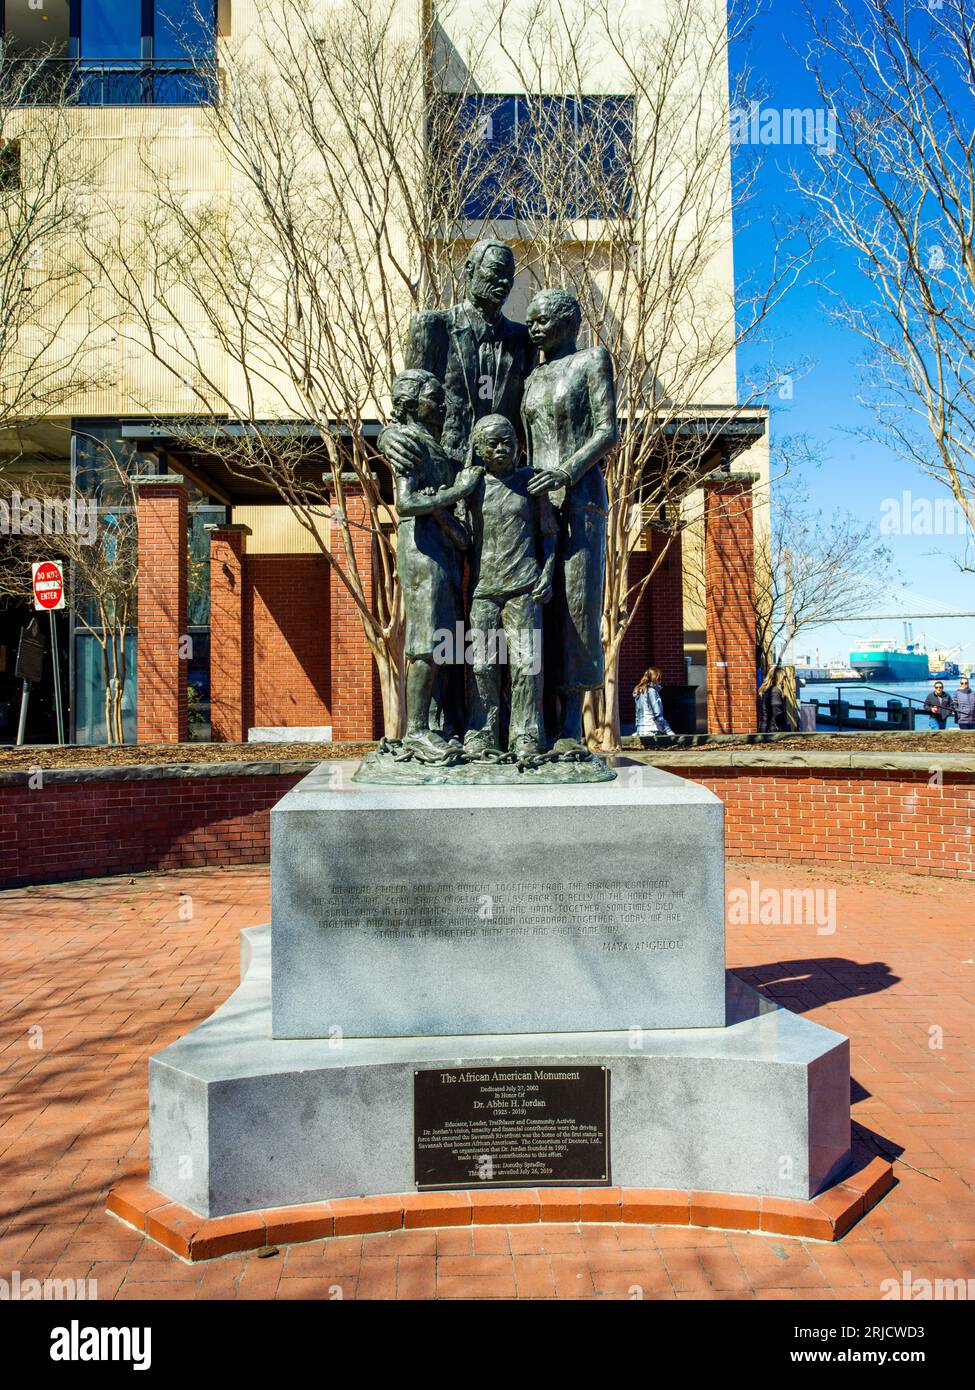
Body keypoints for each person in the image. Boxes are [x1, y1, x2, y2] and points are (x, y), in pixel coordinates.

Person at [522, 287, 618, 753]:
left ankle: (571, 728)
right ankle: (532, 723)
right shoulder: (531, 375)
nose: (534, 327)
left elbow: (607, 430)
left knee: (576, 608)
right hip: (537, 502)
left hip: (579, 499)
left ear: (568, 321)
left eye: (542, 319)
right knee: (537, 607)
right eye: (531, 320)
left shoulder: (591, 361)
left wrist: (568, 469)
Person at [387, 368, 482, 761]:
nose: (443, 403)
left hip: (443, 548)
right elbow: (406, 504)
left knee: (448, 639)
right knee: (427, 642)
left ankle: (446, 723)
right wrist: (458, 490)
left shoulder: (434, 443)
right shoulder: (408, 440)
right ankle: (417, 731)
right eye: (434, 396)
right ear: (410, 405)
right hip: (422, 551)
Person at [462, 415, 558, 758]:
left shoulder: (531, 482)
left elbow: (549, 533)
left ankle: (526, 734)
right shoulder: (472, 485)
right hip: (484, 590)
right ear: (478, 449)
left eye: (507, 441)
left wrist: (547, 572)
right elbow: (461, 536)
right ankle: (482, 732)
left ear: (518, 444)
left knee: (526, 663)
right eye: (492, 443)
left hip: (524, 587)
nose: (501, 448)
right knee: (483, 665)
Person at [633, 667, 673, 739]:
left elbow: (637, 714)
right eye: (659, 679)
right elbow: (657, 714)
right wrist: (668, 730)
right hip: (652, 730)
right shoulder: (651, 691)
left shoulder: (639, 691)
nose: (660, 682)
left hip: (641, 730)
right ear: (654, 679)